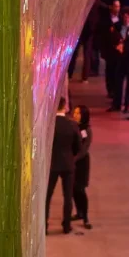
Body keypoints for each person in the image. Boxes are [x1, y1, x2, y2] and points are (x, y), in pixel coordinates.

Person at [46, 98, 81, 234]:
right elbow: (78, 146)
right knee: (68, 196)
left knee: (47, 196)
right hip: (68, 164)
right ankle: (66, 226)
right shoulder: (72, 125)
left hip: (52, 164)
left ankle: (44, 226)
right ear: (64, 107)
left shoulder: (49, 124)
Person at [98, 0, 124, 112]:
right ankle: (110, 90)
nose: (117, 8)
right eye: (115, 6)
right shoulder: (105, 20)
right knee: (109, 70)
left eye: (118, 6)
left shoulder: (121, 19)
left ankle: (116, 91)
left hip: (118, 51)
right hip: (109, 50)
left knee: (116, 71)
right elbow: (102, 35)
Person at [72, 106, 93, 229]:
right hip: (72, 161)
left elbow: (84, 149)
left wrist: (73, 159)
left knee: (80, 189)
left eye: (78, 113)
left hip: (81, 163)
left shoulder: (87, 130)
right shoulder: (72, 126)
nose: (75, 115)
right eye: (74, 112)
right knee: (73, 189)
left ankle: (85, 217)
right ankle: (79, 212)